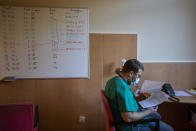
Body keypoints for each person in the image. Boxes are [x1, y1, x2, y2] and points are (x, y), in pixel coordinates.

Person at [104, 59, 173, 131]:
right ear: (131, 73)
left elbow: (120, 102)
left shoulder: (112, 81)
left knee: (157, 116)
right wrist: (149, 112)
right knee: (168, 129)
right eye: (138, 76)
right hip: (130, 126)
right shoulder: (123, 88)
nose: (138, 79)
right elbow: (128, 118)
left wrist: (135, 98)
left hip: (124, 119)